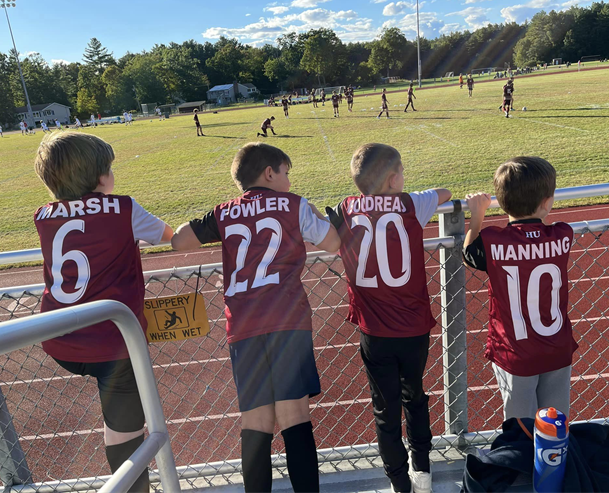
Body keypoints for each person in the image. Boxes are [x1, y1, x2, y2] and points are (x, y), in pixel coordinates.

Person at [170, 142, 341, 493]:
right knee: (294, 418)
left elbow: (179, 240)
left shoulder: (225, 211)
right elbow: (333, 243)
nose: (289, 181)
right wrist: (316, 215)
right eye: (286, 174)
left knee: (256, 423)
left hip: (244, 326)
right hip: (287, 321)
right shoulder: (294, 205)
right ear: (269, 173)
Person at [32, 132, 174, 493]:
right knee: (128, 434)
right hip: (111, 341)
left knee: (118, 413)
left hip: (59, 337)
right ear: (100, 177)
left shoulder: (44, 215)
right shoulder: (122, 208)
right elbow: (168, 235)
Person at [325, 143, 451, 493]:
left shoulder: (346, 208)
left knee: (385, 409)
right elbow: (446, 193)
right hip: (413, 328)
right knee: (416, 396)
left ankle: (399, 483)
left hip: (374, 329)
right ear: (395, 178)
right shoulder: (410, 203)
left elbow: (329, 236)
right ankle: (422, 473)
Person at [462, 156, 578, 420]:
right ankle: (554, 460)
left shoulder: (494, 242)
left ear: (501, 202)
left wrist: (477, 215)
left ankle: (521, 460)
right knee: (555, 423)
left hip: (515, 350)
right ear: (547, 202)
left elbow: (469, 254)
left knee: (520, 427)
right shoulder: (562, 234)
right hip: (556, 347)